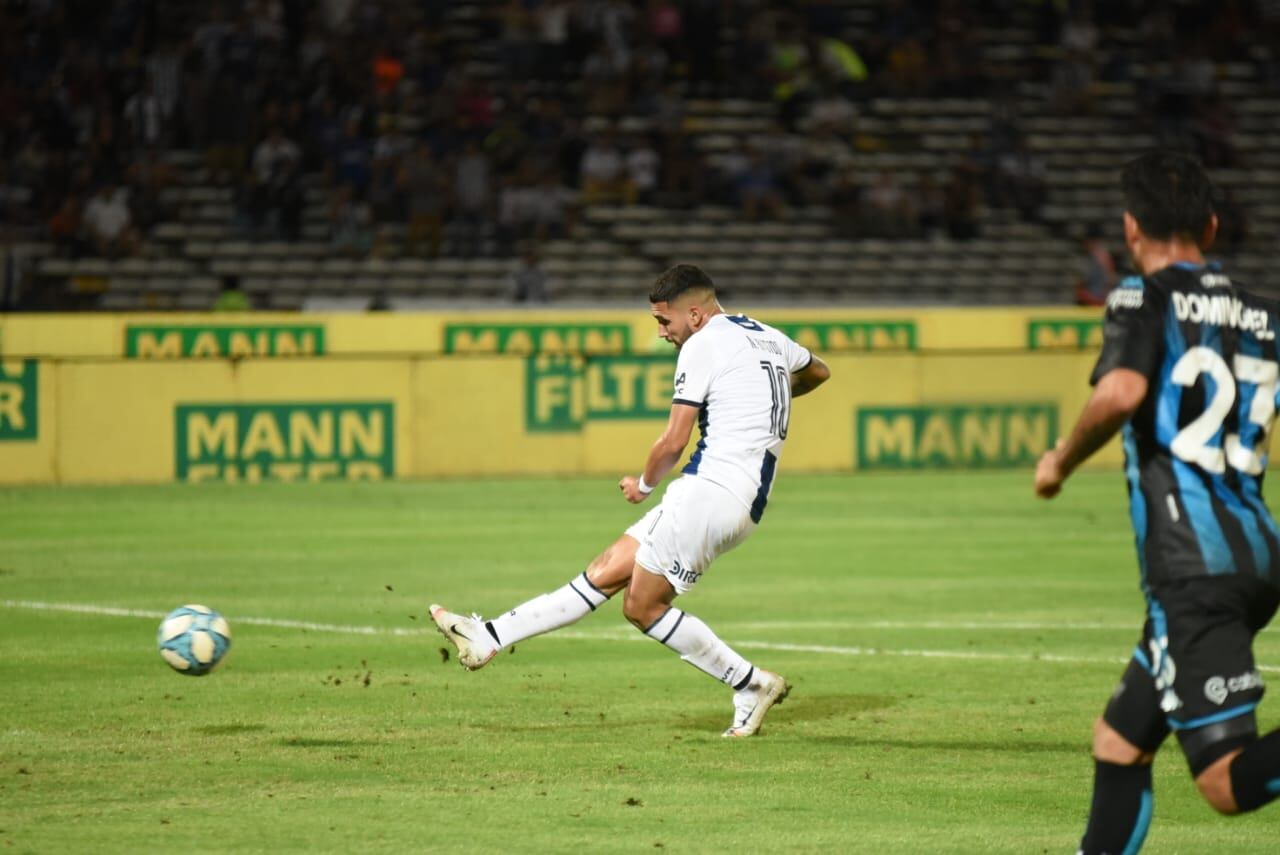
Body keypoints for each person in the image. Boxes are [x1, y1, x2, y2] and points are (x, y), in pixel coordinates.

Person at [432, 264, 831, 737]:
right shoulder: (765, 334)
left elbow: (673, 440)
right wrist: (759, 399)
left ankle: (749, 683)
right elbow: (818, 371)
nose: (662, 333)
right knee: (606, 570)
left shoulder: (702, 344)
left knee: (642, 607)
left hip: (710, 491)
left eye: (666, 322)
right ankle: (489, 638)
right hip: (735, 496)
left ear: (697, 314)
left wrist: (643, 484)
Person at [1035, 151, 1280, 853]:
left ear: (1132, 228)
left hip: (1191, 564)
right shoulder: (1265, 316)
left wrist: (1059, 460)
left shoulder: (1143, 297)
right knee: (1118, 741)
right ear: (1210, 223)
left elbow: (1120, 393)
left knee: (1224, 783)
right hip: (1256, 546)